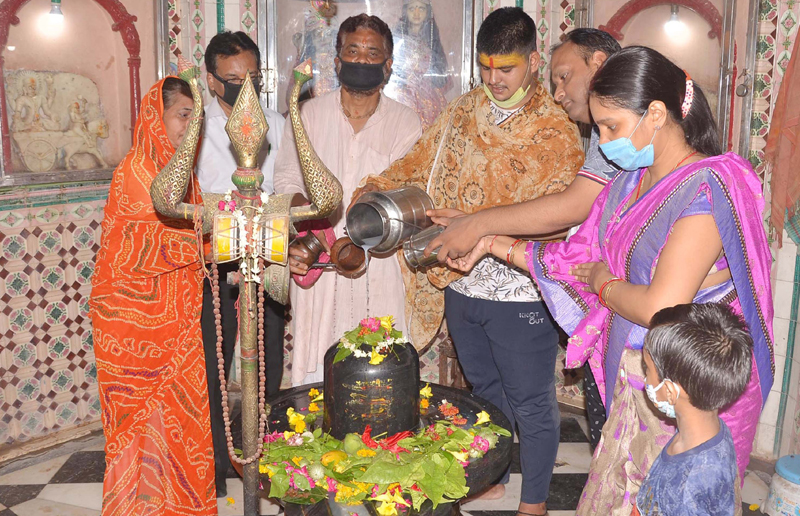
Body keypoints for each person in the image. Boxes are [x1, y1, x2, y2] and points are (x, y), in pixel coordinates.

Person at [448, 46, 774, 515]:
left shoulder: (704, 190)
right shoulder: (629, 182)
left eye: (611, 127)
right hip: (636, 381)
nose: (602, 143)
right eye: (597, 128)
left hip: (682, 397)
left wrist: (604, 284)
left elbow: (660, 307)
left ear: (655, 114)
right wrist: (489, 240)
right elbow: (576, 257)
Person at [353, 8, 584, 516]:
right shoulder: (463, 110)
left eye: (506, 68)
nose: (493, 79)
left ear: (533, 62)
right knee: (483, 390)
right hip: (462, 285)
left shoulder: (556, 130)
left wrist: (482, 224)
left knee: (531, 401)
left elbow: (563, 221)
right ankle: (492, 477)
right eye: (485, 67)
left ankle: (535, 503)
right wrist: (374, 190)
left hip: (520, 291)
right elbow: (418, 162)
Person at [273, 14, 422, 386]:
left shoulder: (406, 123)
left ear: (388, 65)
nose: (362, 60)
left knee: (381, 375)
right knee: (317, 378)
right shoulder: (307, 115)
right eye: (353, 51)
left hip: (380, 264)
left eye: (373, 53)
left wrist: (363, 237)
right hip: (318, 260)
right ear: (337, 61)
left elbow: (407, 195)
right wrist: (315, 232)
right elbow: (287, 180)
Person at [90, 77, 216, 515]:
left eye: (197, 118)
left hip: (177, 323)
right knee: (137, 427)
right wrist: (227, 239)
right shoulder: (137, 173)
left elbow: (195, 232)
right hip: (129, 325)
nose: (191, 126)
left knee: (179, 419)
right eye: (183, 115)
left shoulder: (178, 173)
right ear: (153, 116)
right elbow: (156, 246)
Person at [196, 30, 286, 498]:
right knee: (212, 365)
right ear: (212, 80)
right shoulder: (196, 128)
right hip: (213, 265)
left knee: (266, 366)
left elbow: (287, 188)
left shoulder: (279, 125)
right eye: (233, 79)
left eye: (252, 77)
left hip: (265, 258)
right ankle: (215, 462)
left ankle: (265, 461)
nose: (243, 86)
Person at [634, 303, 750, 516]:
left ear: (670, 391)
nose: (645, 379)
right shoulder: (709, 430)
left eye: (647, 369)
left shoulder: (687, 488)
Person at [385, 0, 453, 129]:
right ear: (405, 12)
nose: (416, 13)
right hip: (403, 94)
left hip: (428, 96)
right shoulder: (398, 38)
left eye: (421, 8)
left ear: (428, 12)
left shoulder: (431, 39)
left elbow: (439, 70)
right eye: (412, 9)